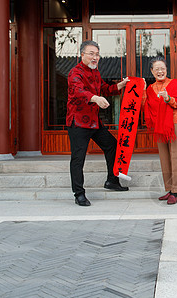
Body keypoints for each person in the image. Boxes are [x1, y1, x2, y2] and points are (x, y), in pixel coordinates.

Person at [67, 40, 130, 207]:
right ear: (82, 55)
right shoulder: (75, 73)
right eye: (91, 54)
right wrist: (95, 98)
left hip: (94, 122)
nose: (95, 57)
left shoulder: (96, 73)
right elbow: (78, 91)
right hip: (78, 122)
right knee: (78, 158)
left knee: (112, 146)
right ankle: (78, 194)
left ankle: (112, 181)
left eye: (97, 54)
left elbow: (105, 89)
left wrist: (121, 85)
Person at [144, 57, 177, 205]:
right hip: (160, 126)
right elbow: (147, 105)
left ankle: (176, 190)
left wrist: (168, 98)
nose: (160, 71)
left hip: (175, 122)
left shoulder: (173, 83)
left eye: (162, 68)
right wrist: (141, 90)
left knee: (176, 156)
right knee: (164, 157)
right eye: (157, 69)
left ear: (166, 70)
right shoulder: (150, 89)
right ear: (152, 71)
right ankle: (169, 189)